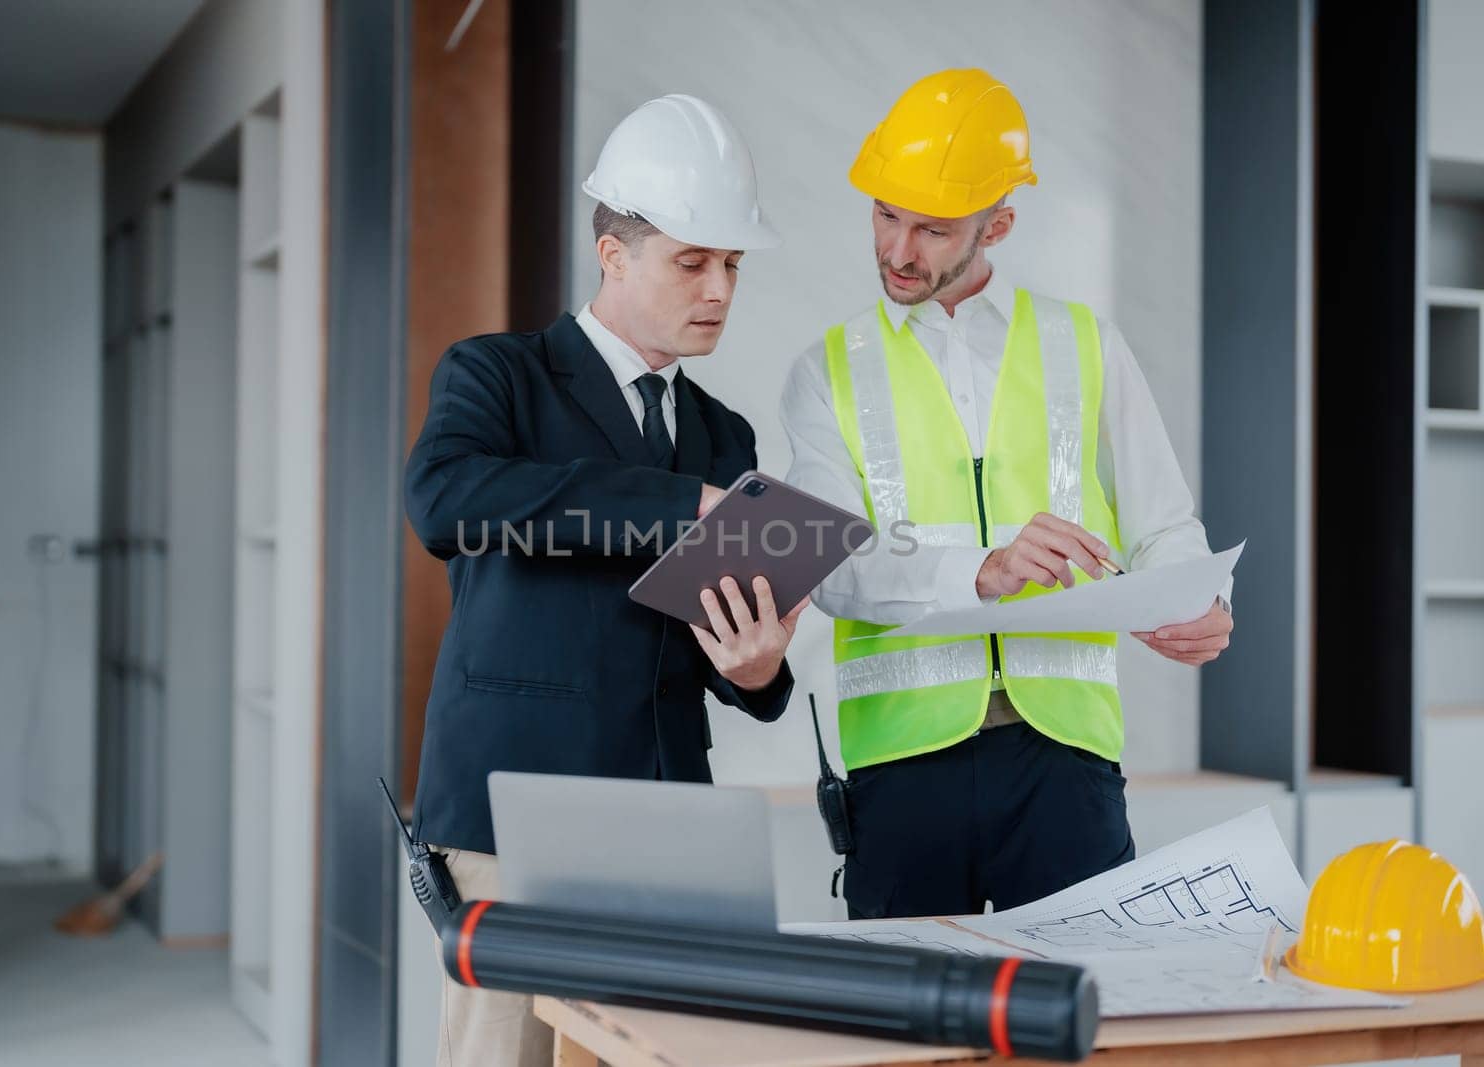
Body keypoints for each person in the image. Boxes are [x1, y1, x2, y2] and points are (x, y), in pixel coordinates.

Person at [405, 93, 805, 1067]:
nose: (717, 288)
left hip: (665, 819)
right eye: (691, 260)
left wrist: (755, 673)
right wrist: (680, 507)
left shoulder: (723, 434)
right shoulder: (497, 376)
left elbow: (717, 647)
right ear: (612, 250)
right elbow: (444, 500)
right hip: (510, 810)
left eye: (731, 265)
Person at [780, 69, 1235, 921]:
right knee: (910, 1049)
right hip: (902, 769)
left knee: (1086, 1038)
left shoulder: (1085, 344)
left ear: (1000, 224)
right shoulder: (826, 372)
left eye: (932, 228)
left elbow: (1165, 522)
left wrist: (1200, 596)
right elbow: (831, 565)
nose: (898, 250)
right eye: (885, 215)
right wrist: (979, 570)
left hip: (1065, 760)